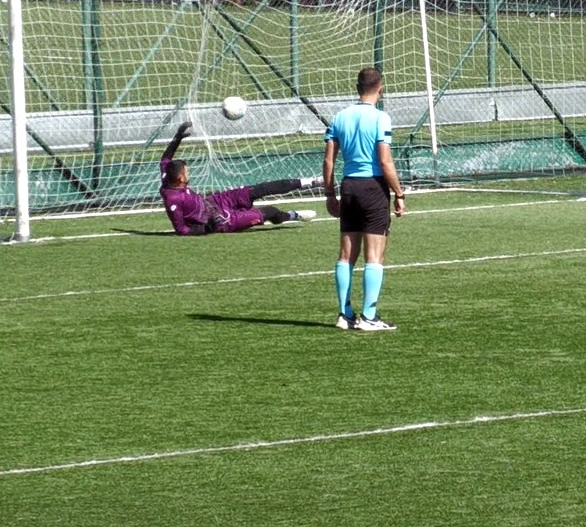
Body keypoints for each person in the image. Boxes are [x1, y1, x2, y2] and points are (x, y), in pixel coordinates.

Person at [322, 67, 407, 332]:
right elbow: (385, 161)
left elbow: (328, 160)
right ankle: (369, 316)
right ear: (380, 88)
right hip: (372, 188)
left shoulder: (339, 117)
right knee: (374, 255)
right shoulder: (381, 118)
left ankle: (344, 314)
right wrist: (399, 193)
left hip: (349, 188)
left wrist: (329, 194)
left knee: (346, 254)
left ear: (357, 87)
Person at [160, 121, 318, 236]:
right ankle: (293, 215)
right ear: (180, 179)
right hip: (221, 221)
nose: (189, 174)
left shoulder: (168, 175)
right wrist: (206, 228)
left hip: (216, 201)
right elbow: (181, 229)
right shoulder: (172, 200)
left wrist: (178, 137)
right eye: (187, 173)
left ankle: (311, 182)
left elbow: (165, 159)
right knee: (270, 212)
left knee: (258, 190)